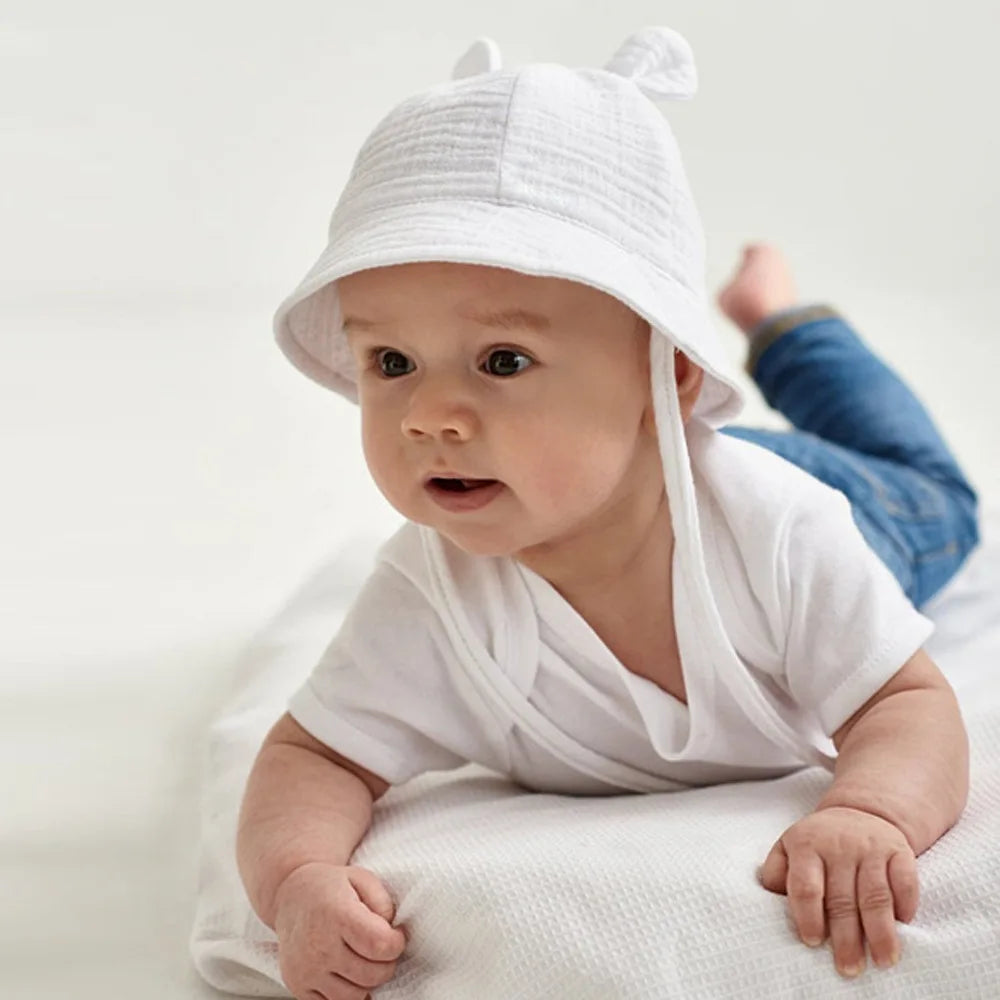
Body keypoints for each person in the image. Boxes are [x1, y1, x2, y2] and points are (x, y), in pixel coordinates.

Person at [234, 27, 980, 998]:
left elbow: (907, 703)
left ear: (669, 372)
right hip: (631, 462)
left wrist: (872, 811)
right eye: (392, 361)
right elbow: (312, 755)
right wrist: (297, 878)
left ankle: (785, 324)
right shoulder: (431, 595)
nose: (427, 416)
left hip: (807, 496)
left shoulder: (781, 532)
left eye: (502, 360)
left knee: (933, 491)